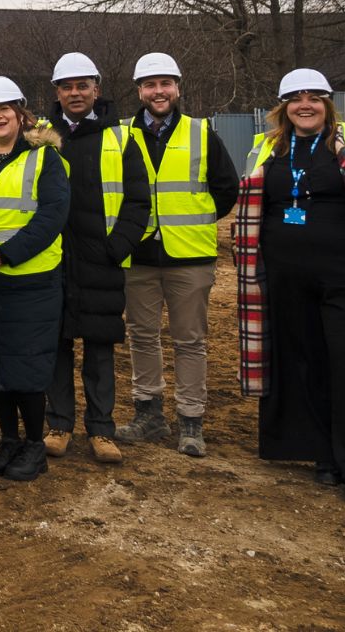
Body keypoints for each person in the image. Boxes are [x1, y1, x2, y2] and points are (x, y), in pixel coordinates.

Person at [235, 69, 345, 509]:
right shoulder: (268, 148)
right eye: (295, 98)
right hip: (286, 280)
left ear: (329, 103)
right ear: (282, 106)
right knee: (303, 362)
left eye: (315, 97)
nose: (305, 104)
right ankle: (324, 454)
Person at [117, 52, 238, 456]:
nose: (158, 91)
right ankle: (149, 415)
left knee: (190, 341)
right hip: (138, 258)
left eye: (165, 83)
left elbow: (226, 190)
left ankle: (191, 421)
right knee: (142, 337)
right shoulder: (121, 136)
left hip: (189, 258)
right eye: (150, 85)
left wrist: (193, 221)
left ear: (177, 87)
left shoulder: (202, 133)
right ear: (139, 91)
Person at [41, 53, 151, 466]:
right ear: (57, 92)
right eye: (67, 86)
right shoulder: (40, 136)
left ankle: (102, 430)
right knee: (58, 345)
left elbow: (139, 201)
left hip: (100, 261)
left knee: (100, 348)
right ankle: (59, 424)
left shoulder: (122, 138)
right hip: (54, 260)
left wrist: (116, 247)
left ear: (96, 90)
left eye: (82, 85)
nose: (75, 93)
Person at [0, 77, 70, 483]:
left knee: (25, 367)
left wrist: (6, 254)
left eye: (5, 108)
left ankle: (33, 444)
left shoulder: (45, 159)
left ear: (20, 114)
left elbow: (52, 217)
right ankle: (9, 439)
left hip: (30, 281)